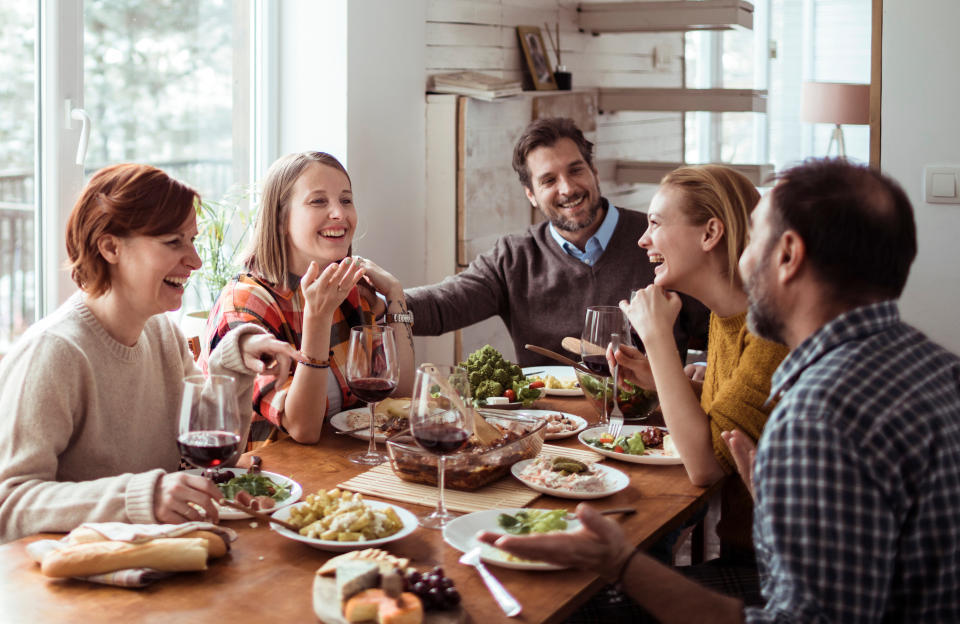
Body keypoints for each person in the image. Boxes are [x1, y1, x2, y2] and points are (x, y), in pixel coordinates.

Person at [480, 158, 960, 622]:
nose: (743, 260)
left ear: (788, 255)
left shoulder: (818, 411)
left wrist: (620, 563)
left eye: (755, 241)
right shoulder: (939, 368)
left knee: (580, 606)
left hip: (755, 583)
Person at [0, 164, 301, 544]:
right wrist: (140, 496)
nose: (195, 260)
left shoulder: (160, 333)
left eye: (192, 240)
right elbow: (9, 505)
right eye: (174, 242)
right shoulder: (54, 353)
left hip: (148, 559)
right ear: (110, 247)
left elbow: (215, 456)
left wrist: (234, 363)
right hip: (66, 584)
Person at [405, 117, 708, 367]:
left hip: (641, 425)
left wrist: (705, 368)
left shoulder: (657, 240)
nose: (567, 188)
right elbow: (442, 305)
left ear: (594, 171)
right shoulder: (514, 257)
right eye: (548, 180)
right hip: (546, 428)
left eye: (576, 170)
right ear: (530, 194)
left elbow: (722, 322)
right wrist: (380, 303)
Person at [614, 165, 789, 569]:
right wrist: (662, 379)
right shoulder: (727, 315)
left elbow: (706, 467)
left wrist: (657, 339)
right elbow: (736, 421)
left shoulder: (770, 333)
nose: (643, 240)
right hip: (746, 551)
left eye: (655, 223)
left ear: (710, 233)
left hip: (769, 572)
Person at [203, 151, 415, 445]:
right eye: (318, 201)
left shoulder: (347, 289)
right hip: (268, 477)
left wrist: (395, 295)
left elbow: (401, 395)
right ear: (280, 220)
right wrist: (318, 317)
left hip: (337, 469)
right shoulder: (244, 303)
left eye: (346, 200)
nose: (339, 213)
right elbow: (303, 428)